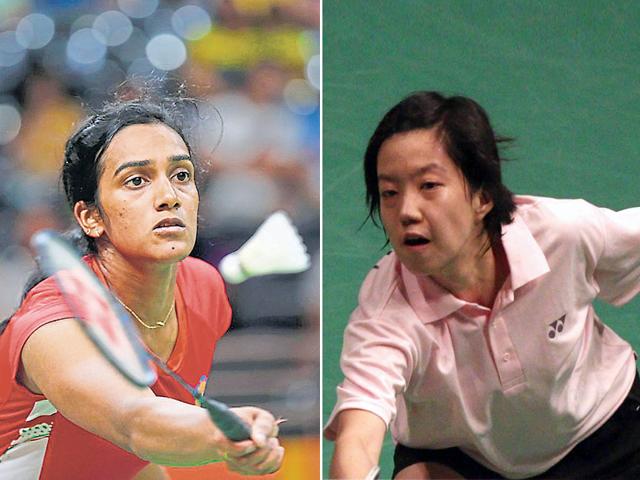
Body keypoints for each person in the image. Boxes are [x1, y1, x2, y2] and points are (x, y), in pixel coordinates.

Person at [325, 91, 640, 479]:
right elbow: (358, 436)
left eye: (428, 186)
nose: (406, 211)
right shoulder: (387, 309)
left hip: (605, 432)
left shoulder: (562, 235)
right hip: (470, 459)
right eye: (390, 193)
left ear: (483, 196)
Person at [0, 98, 284, 479]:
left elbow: (122, 459)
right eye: (136, 181)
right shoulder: (55, 326)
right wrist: (221, 433)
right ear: (91, 216)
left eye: (181, 175)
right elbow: (135, 422)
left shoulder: (203, 289)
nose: (169, 196)